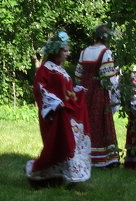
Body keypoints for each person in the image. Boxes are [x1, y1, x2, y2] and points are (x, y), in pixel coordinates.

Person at [26, 31, 91, 188]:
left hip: (66, 116)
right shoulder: (46, 69)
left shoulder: (60, 70)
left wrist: (78, 92)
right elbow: (39, 88)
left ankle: (63, 177)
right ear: (56, 50)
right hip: (55, 116)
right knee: (60, 145)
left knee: (69, 144)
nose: (67, 54)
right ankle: (42, 174)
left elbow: (66, 92)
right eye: (65, 50)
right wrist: (55, 103)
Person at [74, 24, 121, 167]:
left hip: (85, 92)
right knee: (100, 122)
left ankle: (85, 154)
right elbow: (108, 78)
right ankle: (103, 158)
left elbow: (77, 75)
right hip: (99, 92)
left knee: (86, 121)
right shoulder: (106, 52)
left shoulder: (84, 52)